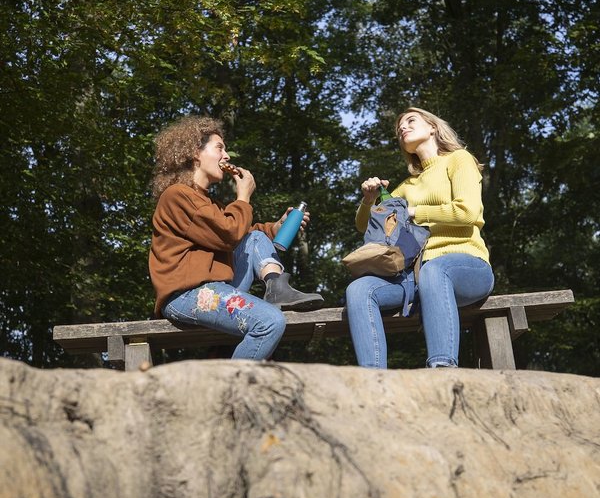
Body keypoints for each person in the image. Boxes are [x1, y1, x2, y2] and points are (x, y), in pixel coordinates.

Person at [149, 115, 323, 361]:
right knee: (270, 322)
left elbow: (242, 233)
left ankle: (277, 287)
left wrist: (277, 227)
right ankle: (228, 396)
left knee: (254, 238)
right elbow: (229, 234)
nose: (227, 155)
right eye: (219, 147)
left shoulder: (209, 203)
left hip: (216, 287)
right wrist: (242, 197)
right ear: (194, 153)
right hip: (185, 296)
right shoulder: (177, 195)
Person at [346, 107, 494, 369]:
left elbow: (468, 212)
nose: (403, 128)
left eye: (411, 121)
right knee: (359, 289)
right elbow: (364, 226)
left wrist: (413, 212)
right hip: (414, 278)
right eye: (399, 127)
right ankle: (371, 379)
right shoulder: (406, 187)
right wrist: (369, 201)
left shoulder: (459, 160)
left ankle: (441, 368)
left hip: (467, 266)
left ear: (433, 127)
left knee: (435, 270)